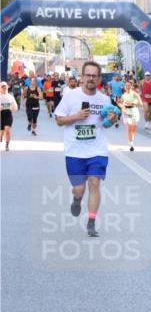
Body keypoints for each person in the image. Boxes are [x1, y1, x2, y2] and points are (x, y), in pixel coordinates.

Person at [53, 60, 118, 238]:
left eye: (94, 76)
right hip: (74, 151)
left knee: (95, 182)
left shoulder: (105, 99)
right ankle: (77, 199)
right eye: (88, 75)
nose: (91, 78)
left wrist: (112, 119)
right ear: (82, 77)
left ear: (99, 78)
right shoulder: (70, 96)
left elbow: (107, 124)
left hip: (97, 149)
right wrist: (76, 116)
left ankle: (91, 222)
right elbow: (59, 120)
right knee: (79, 189)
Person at [120, 80, 142, 151]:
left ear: (132, 86)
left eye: (129, 85)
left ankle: (132, 139)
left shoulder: (135, 94)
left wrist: (133, 103)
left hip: (134, 113)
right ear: (124, 87)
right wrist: (122, 106)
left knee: (133, 129)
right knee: (129, 127)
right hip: (126, 113)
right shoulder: (123, 95)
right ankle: (131, 144)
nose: (127, 87)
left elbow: (141, 103)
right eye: (126, 85)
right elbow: (120, 104)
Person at [0, 82, 18, 151]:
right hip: (1, 115)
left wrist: (11, 108)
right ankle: (1, 136)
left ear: (7, 87)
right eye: (2, 86)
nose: (4, 87)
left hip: (8, 115)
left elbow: (15, 107)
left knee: (7, 130)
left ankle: (7, 145)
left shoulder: (10, 96)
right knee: (1, 131)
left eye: (5, 86)